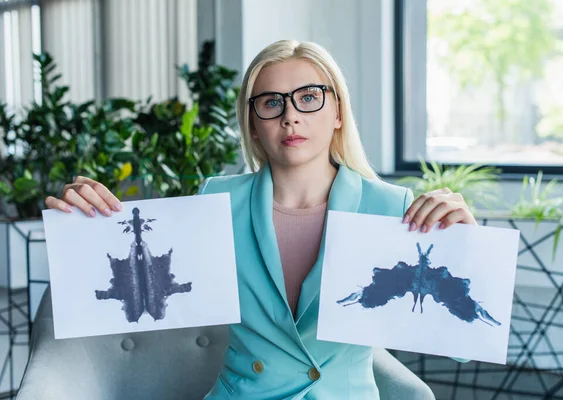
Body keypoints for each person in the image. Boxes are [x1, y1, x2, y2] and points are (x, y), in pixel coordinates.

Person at [45, 40, 476, 399]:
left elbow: (463, 349)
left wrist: (466, 248)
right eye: (271, 102)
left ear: (338, 111)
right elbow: (132, 289)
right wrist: (84, 225)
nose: (290, 115)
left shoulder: (392, 208)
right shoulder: (216, 201)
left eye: (309, 97)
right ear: (253, 124)